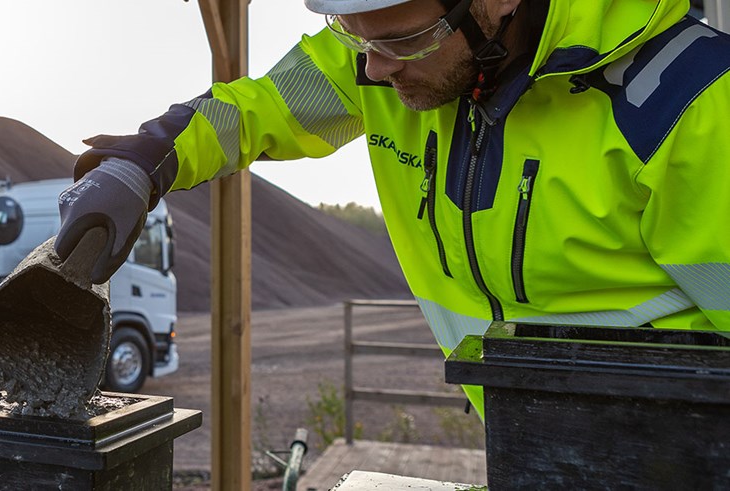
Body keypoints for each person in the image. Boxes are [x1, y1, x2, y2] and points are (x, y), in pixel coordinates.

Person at [54, 0, 730, 417]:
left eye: (400, 41)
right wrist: (149, 158)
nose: (374, 70)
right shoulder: (379, 54)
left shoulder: (693, 108)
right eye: (354, 37)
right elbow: (255, 108)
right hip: (529, 449)